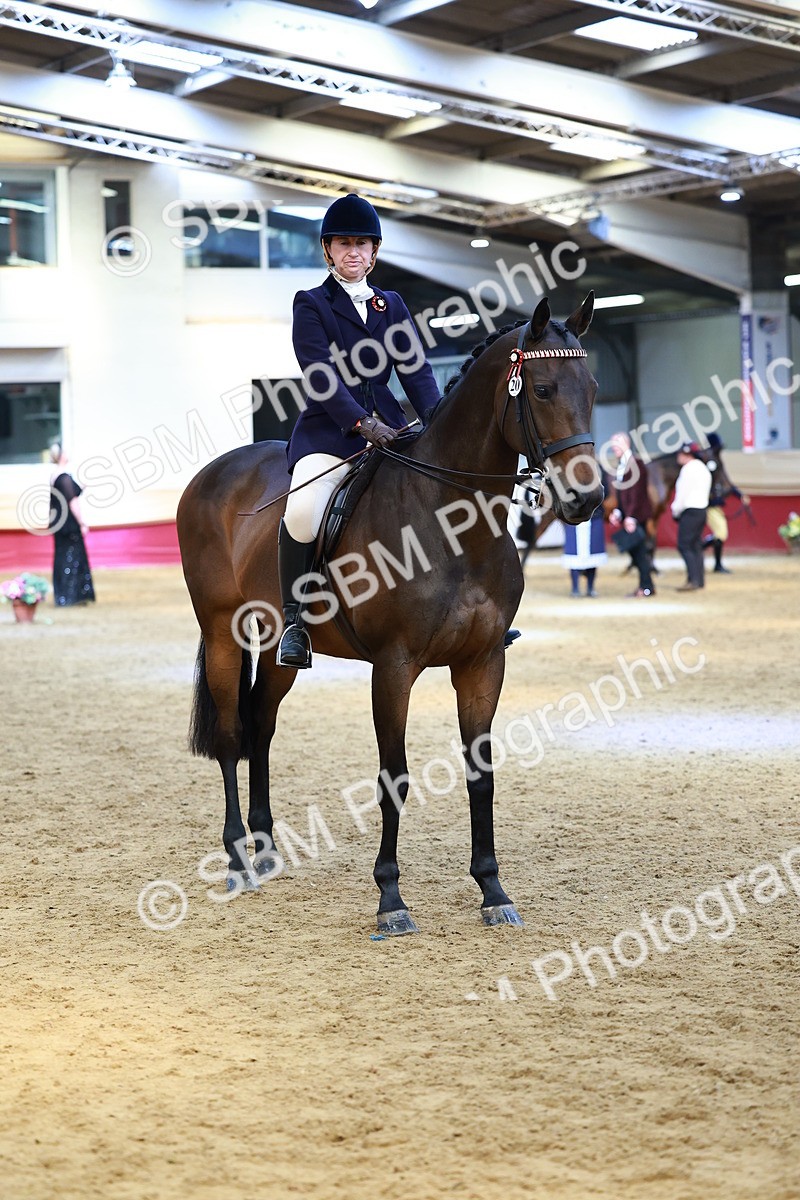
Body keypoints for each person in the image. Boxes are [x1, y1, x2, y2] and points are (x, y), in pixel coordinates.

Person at [277, 193, 441, 669]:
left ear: (375, 252)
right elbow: (320, 374)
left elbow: (417, 372)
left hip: (392, 431)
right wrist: (361, 423)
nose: (353, 252)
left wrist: (436, 422)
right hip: (332, 435)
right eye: (343, 243)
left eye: (362, 244)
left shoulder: (391, 304)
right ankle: (295, 622)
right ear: (328, 250)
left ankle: (466, 601)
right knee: (304, 510)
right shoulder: (311, 304)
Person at [608, 431, 655, 598]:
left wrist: (631, 517)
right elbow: (624, 495)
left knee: (640, 554)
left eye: (617, 443)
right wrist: (619, 512)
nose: (614, 447)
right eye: (613, 444)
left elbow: (637, 494)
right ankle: (645, 585)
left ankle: (647, 587)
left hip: (637, 516)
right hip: (630, 516)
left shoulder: (636, 463)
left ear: (626, 444)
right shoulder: (622, 464)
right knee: (637, 554)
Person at [48, 443, 95, 607]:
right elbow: (72, 501)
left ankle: (63, 594)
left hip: (58, 523)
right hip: (68, 523)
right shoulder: (64, 477)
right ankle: (72, 595)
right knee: (73, 557)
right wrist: (82, 522)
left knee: (62, 557)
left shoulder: (55, 476)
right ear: (61, 456)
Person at [701, 432, 750, 574]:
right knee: (721, 533)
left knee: (721, 533)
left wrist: (738, 494)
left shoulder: (713, 460)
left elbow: (725, 483)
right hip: (709, 503)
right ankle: (703, 551)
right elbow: (720, 483)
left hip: (714, 503)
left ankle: (710, 557)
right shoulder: (710, 460)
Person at [671, 442, 712, 592]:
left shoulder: (687, 470)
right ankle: (699, 579)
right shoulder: (703, 468)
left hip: (690, 509)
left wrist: (675, 510)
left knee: (684, 545)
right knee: (696, 545)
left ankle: (693, 579)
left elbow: (682, 493)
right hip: (702, 509)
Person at [561, 504, 606, 597]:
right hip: (573, 518)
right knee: (573, 557)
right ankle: (575, 588)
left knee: (593, 557)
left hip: (594, 518)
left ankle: (590, 588)